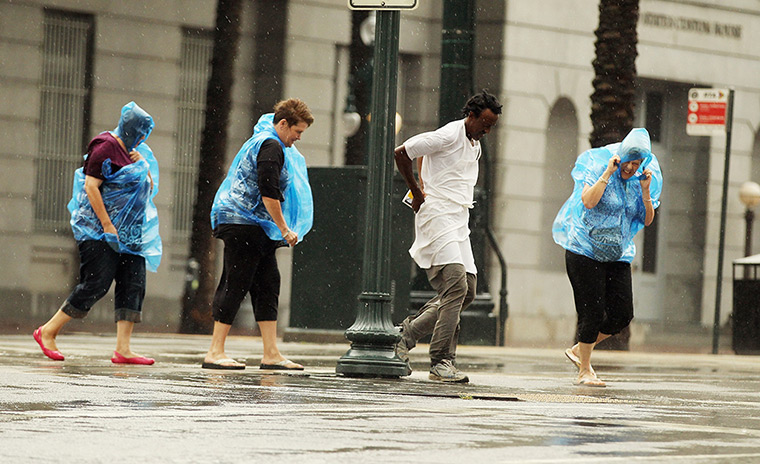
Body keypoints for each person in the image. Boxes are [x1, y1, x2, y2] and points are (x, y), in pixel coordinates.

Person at [33, 101, 161, 365]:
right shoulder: (106, 148)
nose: (141, 138)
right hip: (99, 232)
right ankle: (48, 331)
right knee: (96, 283)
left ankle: (123, 349)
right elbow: (91, 187)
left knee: (133, 284)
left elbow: (147, 189)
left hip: (131, 235)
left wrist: (143, 167)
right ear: (130, 128)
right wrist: (107, 225)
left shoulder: (134, 153)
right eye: (139, 132)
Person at [393, 91, 501, 383]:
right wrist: (417, 191)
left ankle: (406, 334)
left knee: (469, 291)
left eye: (492, 126)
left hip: (458, 219)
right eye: (485, 123)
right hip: (438, 214)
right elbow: (403, 152)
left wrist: (423, 179)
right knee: (455, 286)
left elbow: (423, 159)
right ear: (472, 115)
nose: (487, 130)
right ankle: (441, 360)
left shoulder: (473, 143)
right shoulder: (448, 134)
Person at [202, 98, 314, 370]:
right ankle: (215, 352)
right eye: (297, 131)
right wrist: (285, 229)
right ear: (283, 124)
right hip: (243, 223)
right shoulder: (271, 145)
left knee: (267, 284)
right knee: (236, 281)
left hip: (254, 225)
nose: (298, 138)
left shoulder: (268, 142)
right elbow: (269, 191)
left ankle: (271, 353)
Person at [553, 128, 662, 387]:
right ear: (620, 157)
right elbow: (588, 202)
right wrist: (608, 173)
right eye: (629, 162)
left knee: (622, 314)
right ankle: (585, 371)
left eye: (637, 164)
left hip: (617, 253)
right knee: (592, 311)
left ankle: (580, 350)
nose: (632, 168)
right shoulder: (600, 168)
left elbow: (647, 220)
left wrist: (645, 191)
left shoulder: (640, 181)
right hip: (585, 250)